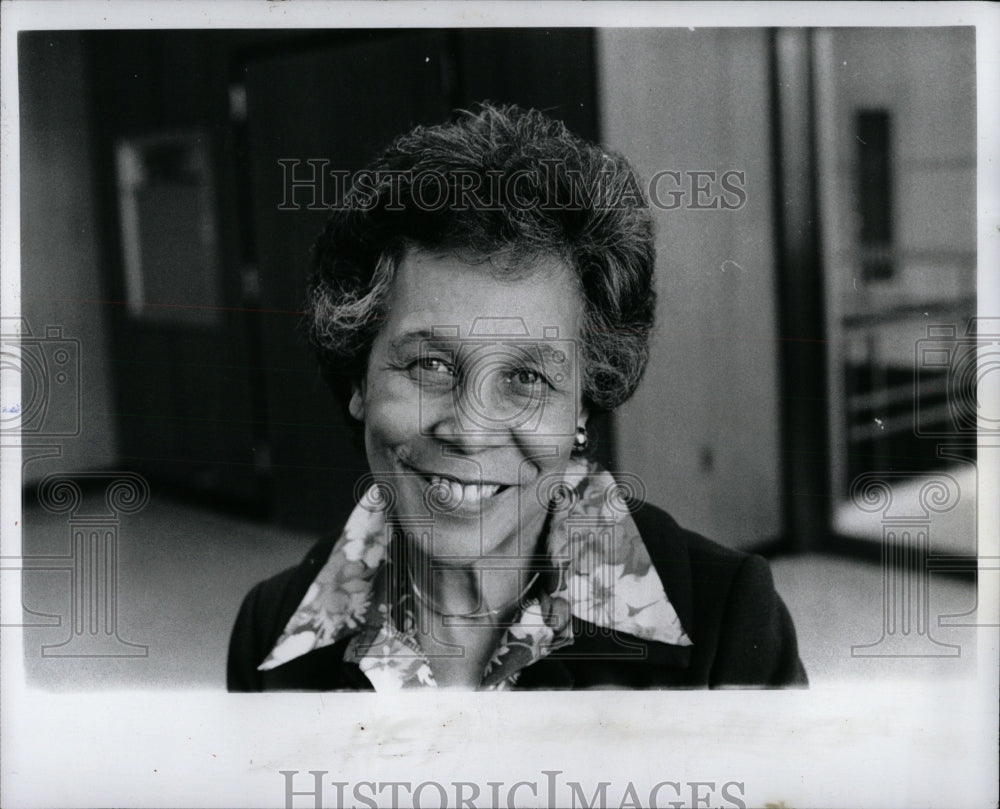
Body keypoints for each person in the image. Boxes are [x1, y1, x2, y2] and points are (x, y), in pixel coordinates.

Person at [227, 103, 807, 690]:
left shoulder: (727, 622)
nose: (472, 429)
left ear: (581, 404)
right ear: (359, 377)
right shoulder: (270, 629)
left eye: (527, 378)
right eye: (429, 364)